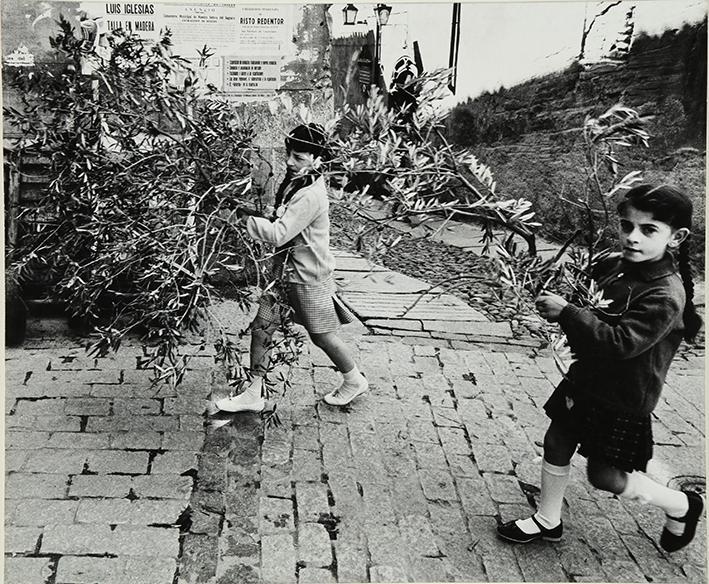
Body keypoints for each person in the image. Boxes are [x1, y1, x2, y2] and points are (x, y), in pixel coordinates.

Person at [497, 184, 704, 553]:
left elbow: (621, 343)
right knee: (556, 440)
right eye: (627, 226)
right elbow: (588, 303)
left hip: (622, 396)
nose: (632, 237)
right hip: (587, 379)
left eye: (648, 230)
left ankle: (683, 505)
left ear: (677, 237)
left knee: (605, 476)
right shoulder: (615, 265)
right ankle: (548, 519)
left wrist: (569, 313)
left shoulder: (665, 294)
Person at [214, 123, 368, 412]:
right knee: (262, 328)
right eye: (290, 154)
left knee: (322, 336)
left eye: (298, 157)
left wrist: (240, 218)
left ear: (318, 158)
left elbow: (278, 234)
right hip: (284, 274)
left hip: (307, 277)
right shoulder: (300, 182)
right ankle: (254, 393)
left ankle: (354, 379)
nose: (289, 161)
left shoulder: (311, 194)